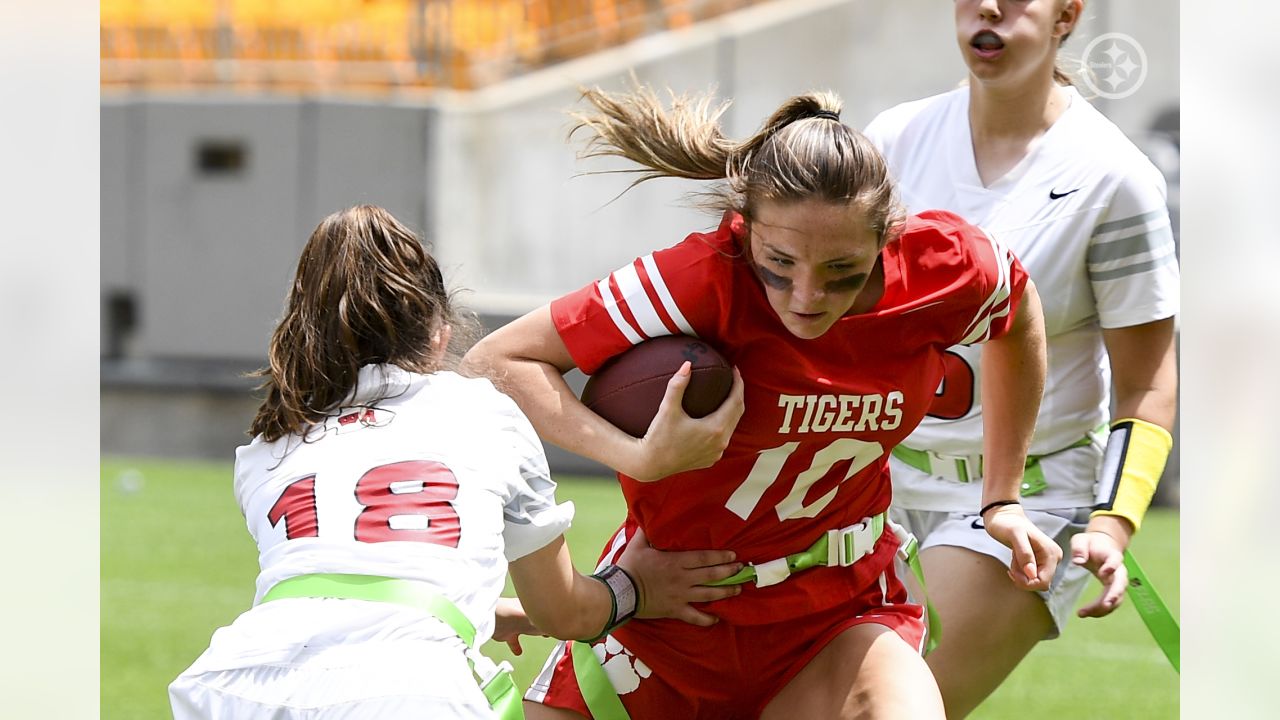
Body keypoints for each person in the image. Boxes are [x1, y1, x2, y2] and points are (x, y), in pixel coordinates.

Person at [461, 84, 1059, 719]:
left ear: (888, 235)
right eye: (779, 262)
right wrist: (638, 456)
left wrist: (1002, 499)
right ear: (744, 229)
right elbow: (494, 363)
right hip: (669, 616)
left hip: (839, 616)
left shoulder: (943, 266)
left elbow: (1018, 313)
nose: (805, 295)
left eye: (842, 270)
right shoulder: (701, 278)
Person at [167, 205, 743, 719]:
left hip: (229, 684)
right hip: (410, 692)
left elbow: (344, 592)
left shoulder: (269, 443)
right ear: (441, 335)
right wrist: (635, 588)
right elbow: (567, 613)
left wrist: (489, 610)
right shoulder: (483, 411)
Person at [862, 1, 1180, 716]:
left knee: (875, 708)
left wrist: (1112, 522)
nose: (990, 8)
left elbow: (1149, 382)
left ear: (1068, 14)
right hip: (874, 487)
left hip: (1033, 501)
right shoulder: (892, 139)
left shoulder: (1114, 177)